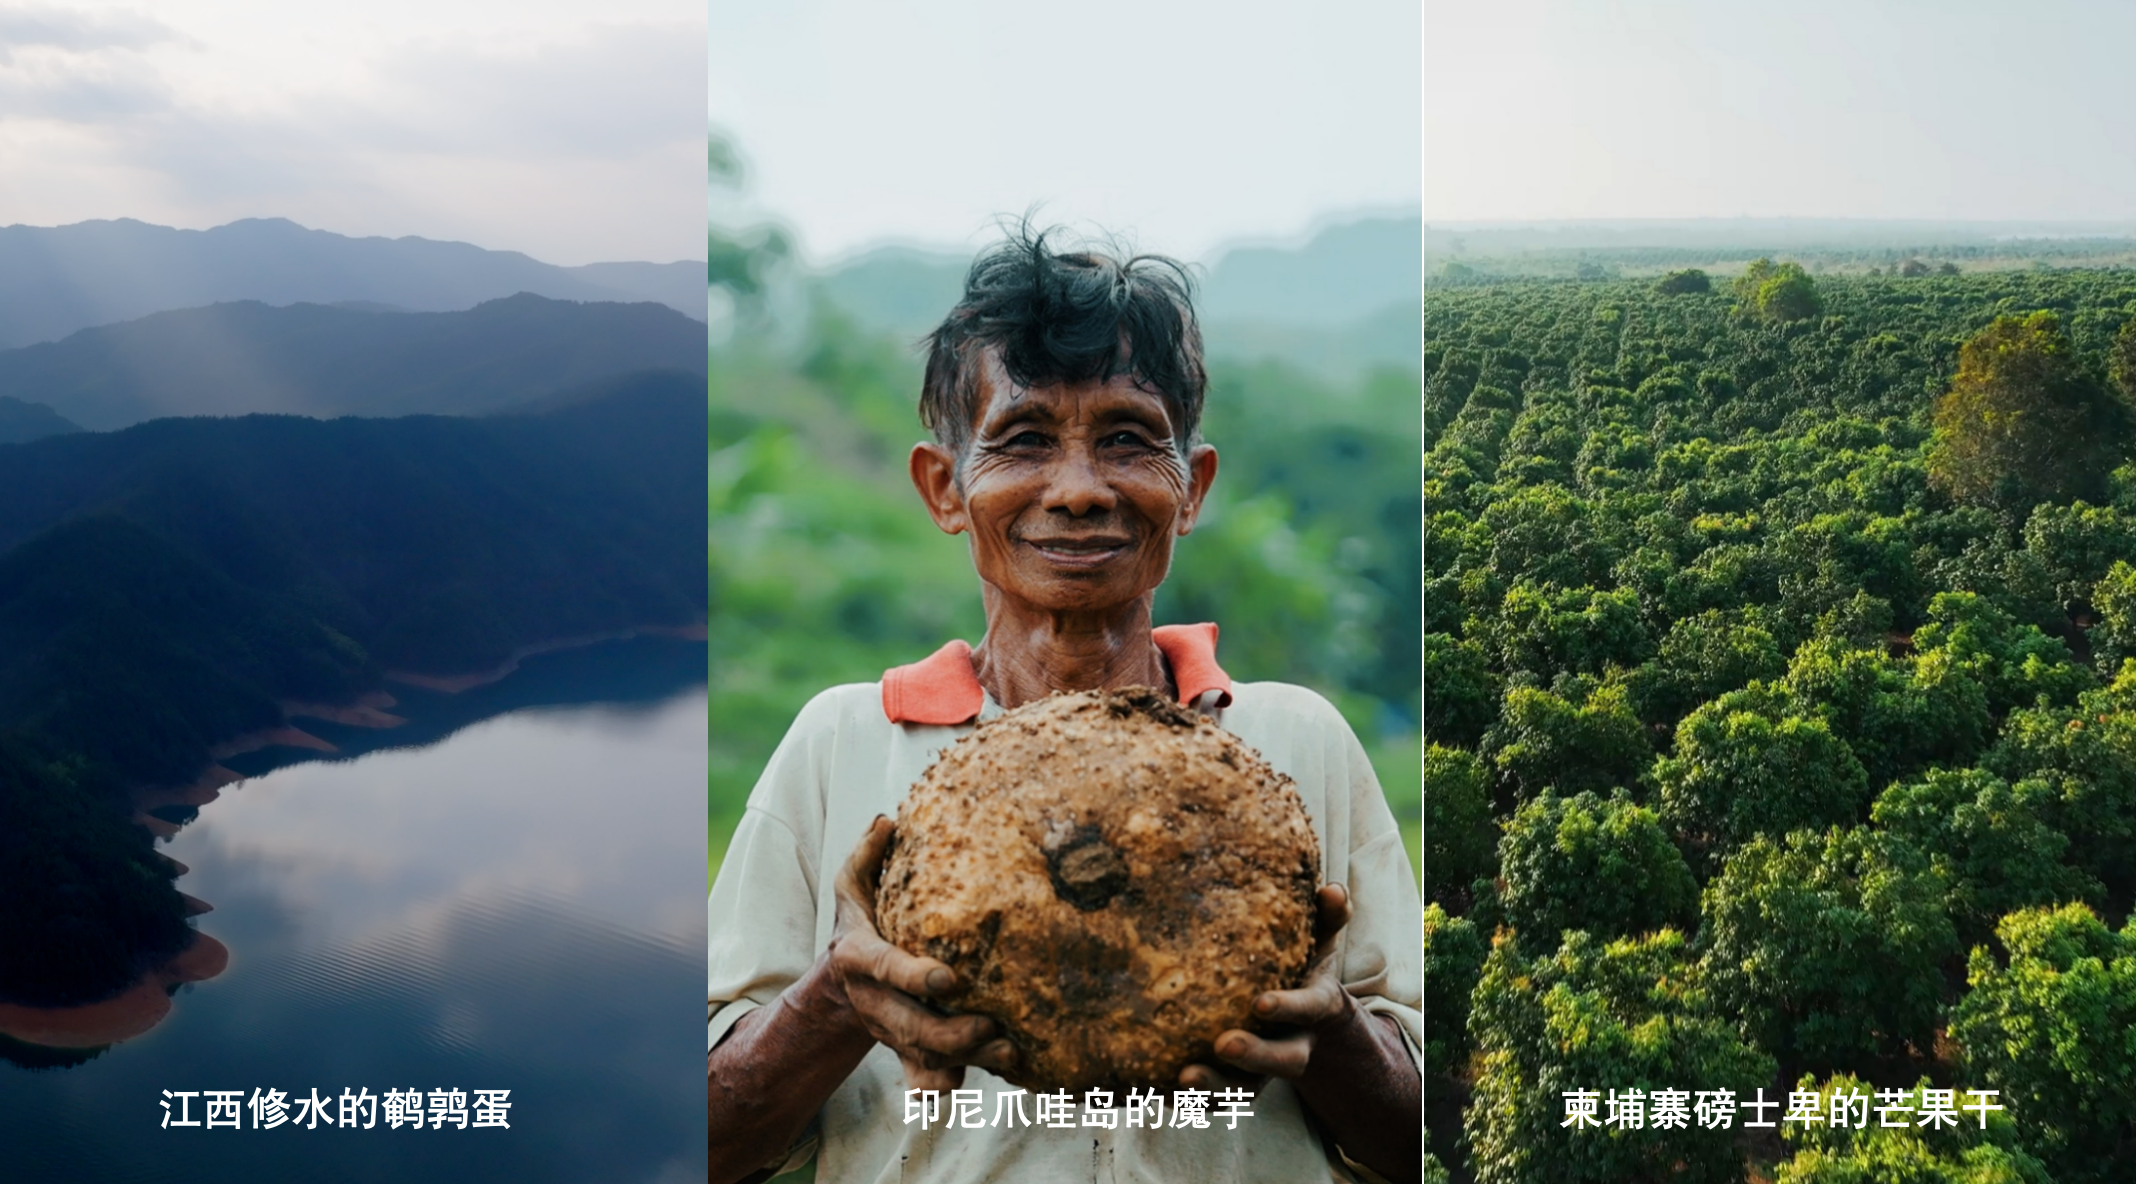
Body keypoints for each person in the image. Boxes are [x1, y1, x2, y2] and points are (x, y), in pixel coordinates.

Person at [707, 229, 1422, 1184]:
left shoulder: (1297, 743)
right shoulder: (842, 743)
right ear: (944, 488)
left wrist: (1330, 1029)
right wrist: (839, 996)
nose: (1080, 490)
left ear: (1192, 486)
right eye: (1024, 440)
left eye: (1128, 438)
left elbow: (1427, 1139)